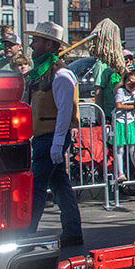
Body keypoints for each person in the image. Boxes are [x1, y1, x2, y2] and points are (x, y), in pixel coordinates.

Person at [25, 21, 84, 248]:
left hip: (51, 137)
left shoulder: (62, 75)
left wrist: (58, 144)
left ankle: (25, 233)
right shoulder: (40, 74)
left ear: (48, 44)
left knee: (37, 186)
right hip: (43, 137)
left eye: (37, 40)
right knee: (60, 185)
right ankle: (72, 231)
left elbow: (64, 111)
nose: (32, 44)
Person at [113, 69, 135, 182]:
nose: (131, 84)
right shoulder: (121, 91)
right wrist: (133, 107)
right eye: (129, 81)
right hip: (120, 121)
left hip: (131, 121)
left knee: (133, 148)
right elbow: (119, 105)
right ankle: (120, 173)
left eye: (134, 82)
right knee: (120, 149)